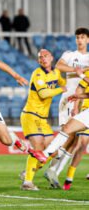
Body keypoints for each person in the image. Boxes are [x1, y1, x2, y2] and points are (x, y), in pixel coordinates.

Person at [43, 27, 89, 188]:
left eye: (83, 37)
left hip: (84, 101)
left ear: (88, 40)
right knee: (67, 135)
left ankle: (53, 171)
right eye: (77, 37)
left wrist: (81, 72)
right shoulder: (70, 55)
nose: (80, 40)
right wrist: (79, 71)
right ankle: (41, 166)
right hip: (70, 98)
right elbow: (59, 66)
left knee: (75, 140)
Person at [19, 49, 66, 191]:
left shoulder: (55, 73)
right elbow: (44, 93)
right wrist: (61, 89)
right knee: (38, 149)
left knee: (54, 150)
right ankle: (27, 183)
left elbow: (65, 83)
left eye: (46, 56)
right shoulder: (37, 74)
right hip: (31, 115)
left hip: (43, 119)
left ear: (51, 58)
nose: (43, 59)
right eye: (40, 58)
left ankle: (28, 172)